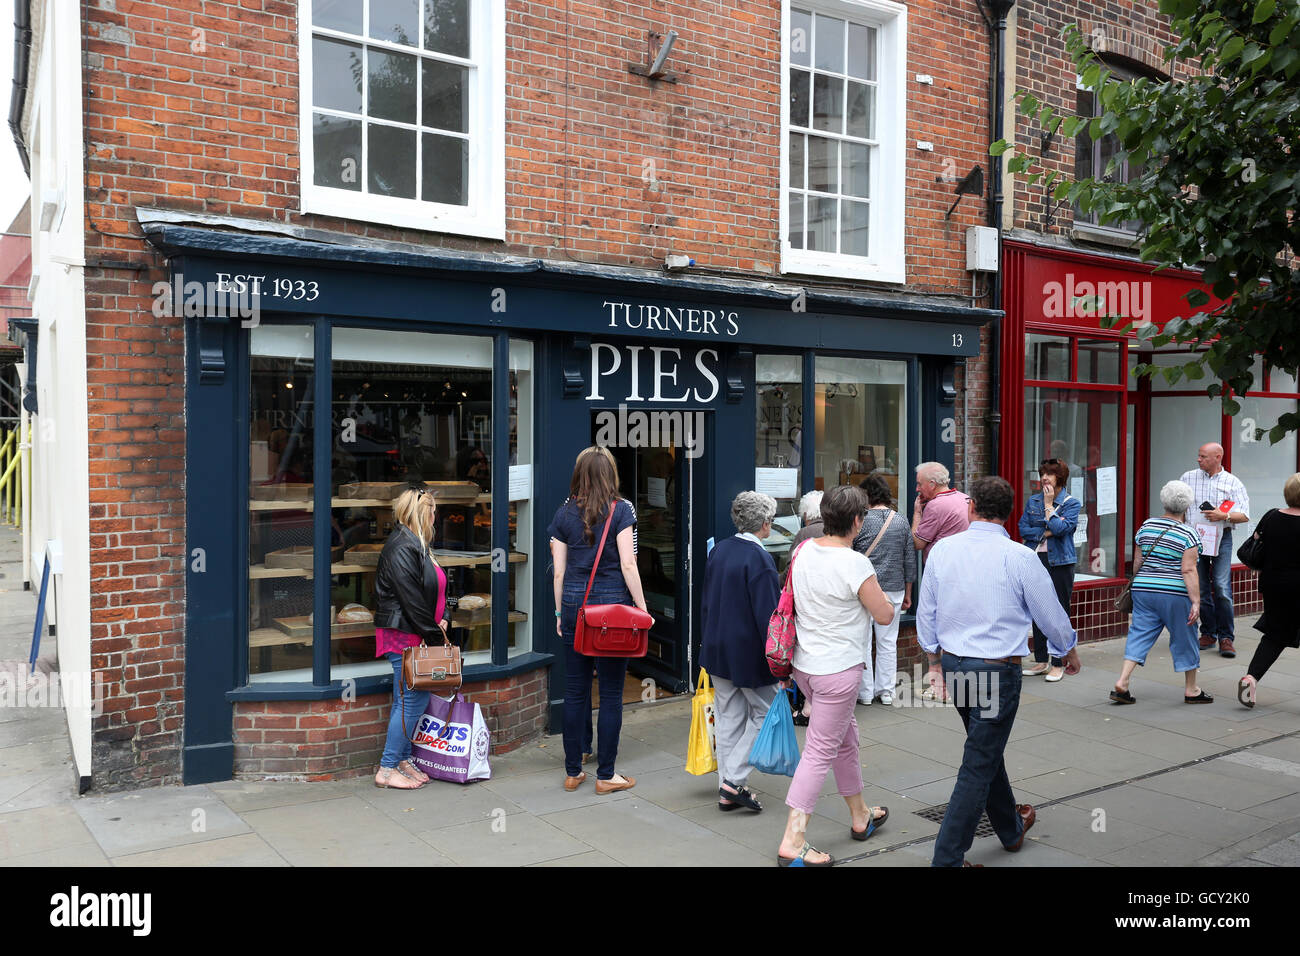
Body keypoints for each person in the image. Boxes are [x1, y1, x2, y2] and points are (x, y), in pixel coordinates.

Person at [916, 476, 1081, 867]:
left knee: (983, 749)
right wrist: (1067, 651)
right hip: (996, 672)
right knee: (978, 761)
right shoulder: (1020, 557)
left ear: (970, 507)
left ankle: (1009, 828)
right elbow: (1051, 614)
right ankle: (947, 859)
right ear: (1008, 515)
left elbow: (927, 612)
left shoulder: (942, 551)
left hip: (957, 665)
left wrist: (934, 660)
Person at [777, 484, 896, 866]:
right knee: (818, 752)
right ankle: (793, 840)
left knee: (845, 740)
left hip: (805, 668)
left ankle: (860, 815)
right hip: (838, 672)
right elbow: (884, 614)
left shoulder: (802, 551)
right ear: (858, 521)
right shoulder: (855, 563)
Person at [548, 446, 649, 794]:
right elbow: (628, 564)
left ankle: (573, 770)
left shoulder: (563, 513)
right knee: (610, 694)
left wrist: (560, 612)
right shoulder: (623, 510)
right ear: (610, 474)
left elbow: (558, 573)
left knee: (575, 692)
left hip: (576, 607)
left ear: (580, 473)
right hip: (613, 612)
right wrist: (642, 607)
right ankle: (606, 775)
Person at [700, 491, 782, 812]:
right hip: (749, 655)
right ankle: (733, 782)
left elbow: (707, 602)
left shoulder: (720, 549)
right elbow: (769, 617)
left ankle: (727, 787)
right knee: (767, 714)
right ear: (764, 524)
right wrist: (780, 661)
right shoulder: (760, 559)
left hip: (717, 649)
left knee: (729, 718)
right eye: (771, 521)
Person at [373, 482, 457, 790]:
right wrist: (436, 638)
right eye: (434, 510)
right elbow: (411, 601)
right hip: (406, 635)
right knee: (411, 701)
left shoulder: (418, 544)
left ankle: (403, 758)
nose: (437, 515)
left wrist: (445, 618)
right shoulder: (402, 547)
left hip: (420, 634)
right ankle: (387, 767)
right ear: (423, 512)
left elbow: (442, 591)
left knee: (407, 700)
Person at [1109, 480, 1209, 705]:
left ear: (1164, 501)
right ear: (1187, 506)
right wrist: (1196, 601)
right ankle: (1191, 689)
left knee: (1139, 633)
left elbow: (1138, 562)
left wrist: (1138, 585)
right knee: (1186, 637)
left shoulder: (1146, 526)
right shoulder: (1188, 534)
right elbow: (1189, 569)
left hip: (1144, 589)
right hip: (1175, 593)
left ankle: (1122, 681)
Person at [1180, 442, 1250, 658]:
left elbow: (1245, 514)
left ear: (1218, 457)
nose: (1199, 460)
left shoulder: (1232, 482)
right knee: (1199, 587)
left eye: (1203, 456)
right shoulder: (1187, 478)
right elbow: (1179, 509)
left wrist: (1224, 515)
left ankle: (1226, 637)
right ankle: (1208, 632)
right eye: (1199, 456)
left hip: (1221, 537)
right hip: (1194, 537)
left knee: (1221, 586)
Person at [1237, 473, 1300, 708]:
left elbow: (1258, 544)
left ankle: (1250, 678)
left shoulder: (1271, 516)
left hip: (1274, 586)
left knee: (1275, 636)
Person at [853, 475, 916, 706]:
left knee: (863, 640)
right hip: (894, 588)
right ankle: (886, 691)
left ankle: (866, 693)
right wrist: (909, 592)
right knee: (888, 642)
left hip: (864, 589)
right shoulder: (900, 521)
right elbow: (909, 560)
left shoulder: (861, 521)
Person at [1017, 458, 1081, 682]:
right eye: (1043, 473)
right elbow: (1023, 528)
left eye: (1050, 474)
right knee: (1036, 609)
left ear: (1060, 477)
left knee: (1058, 613)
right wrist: (1044, 533)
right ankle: (1042, 660)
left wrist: (1048, 506)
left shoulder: (1072, 503)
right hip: (1036, 559)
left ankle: (1058, 662)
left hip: (1060, 562)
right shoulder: (1032, 500)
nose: (1044, 477)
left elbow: (1062, 528)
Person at [911, 462, 971, 700]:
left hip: (941, 576)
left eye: (919, 483)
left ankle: (940, 687)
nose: (917, 489)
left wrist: (917, 513)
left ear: (932, 484)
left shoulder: (935, 506)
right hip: (965, 574)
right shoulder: (965, 498)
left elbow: (917, 542)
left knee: (934, 625)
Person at [787, 489, 824, 725]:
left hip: (807, 601)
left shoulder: (804, 533)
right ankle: (822, 703)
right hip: (830, 603)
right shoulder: (836, 532)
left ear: (806, 513)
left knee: (807, 652)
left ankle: (809, 705)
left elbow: (791, 568)